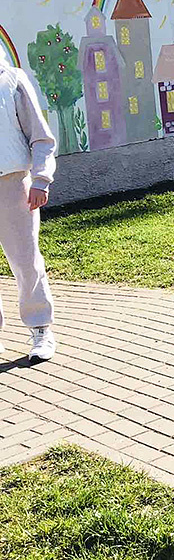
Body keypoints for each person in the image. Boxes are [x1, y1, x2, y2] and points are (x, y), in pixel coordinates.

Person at [0, 48, 57, 361]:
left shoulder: (11, 80)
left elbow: (41, 137)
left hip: (13, 184)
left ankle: (41, 330)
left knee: (25, 260)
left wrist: (40, 180)